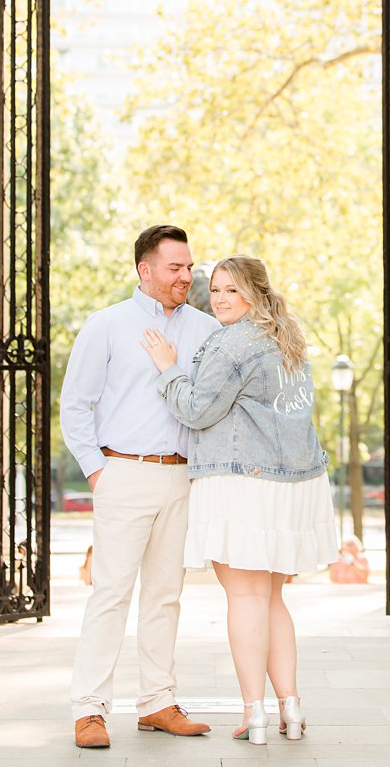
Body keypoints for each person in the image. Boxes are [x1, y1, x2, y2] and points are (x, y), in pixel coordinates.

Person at [140, 254, 339, 746]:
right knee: (271, 596)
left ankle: (255, 714)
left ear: (255, 293)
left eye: (232, 290)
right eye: (218, 289)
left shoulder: (233, 343)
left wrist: (167, 369)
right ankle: (291, 707)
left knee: (245, 597)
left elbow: (197, 409)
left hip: (242, 482)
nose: (220, 298)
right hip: (291, 481)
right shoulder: (285, 338)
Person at [61, 224, 221, 749]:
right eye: (176, 267)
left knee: (165, 596)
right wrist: (97, 471)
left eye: (190, 266)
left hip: (181, 476)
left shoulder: (206, 329)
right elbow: (75, 404)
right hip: (122, 471)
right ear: (144, 270)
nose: (187, 276)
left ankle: (157, 701)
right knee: (110, 593)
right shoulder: (107, 325)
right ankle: (89, 709)